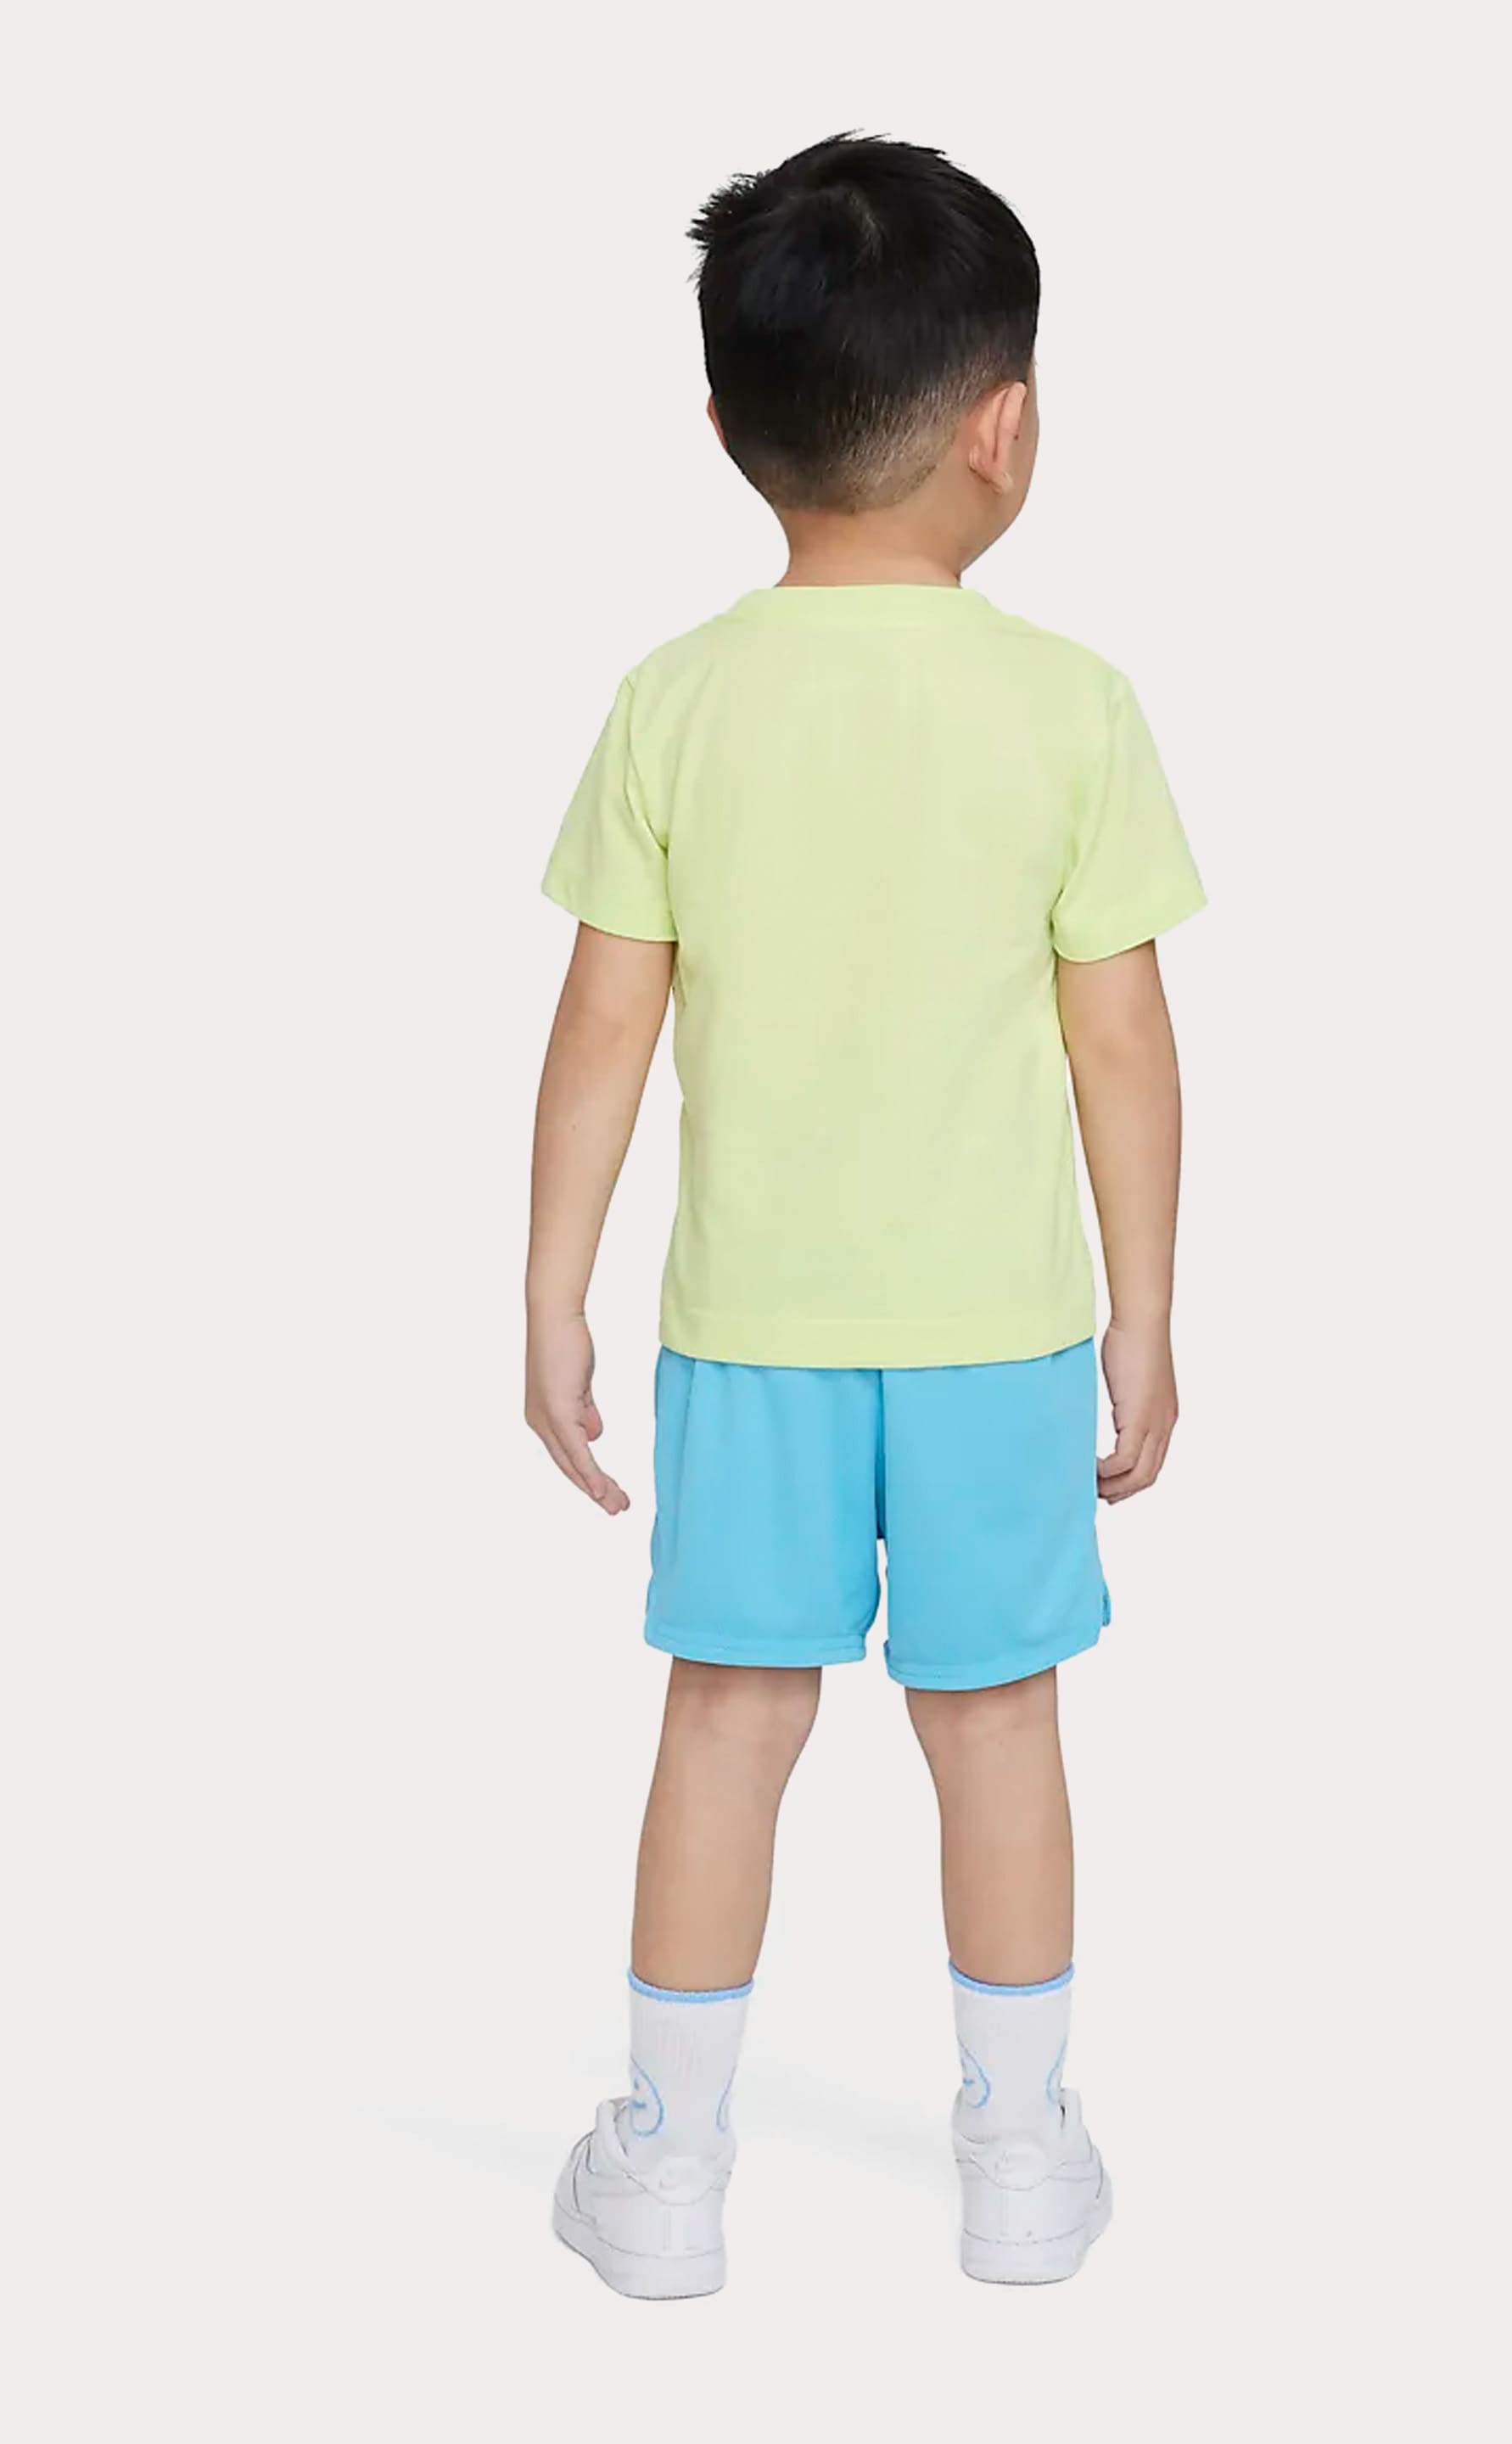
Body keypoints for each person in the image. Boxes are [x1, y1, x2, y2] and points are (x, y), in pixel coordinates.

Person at [526, 132, 1203, 2297]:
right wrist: (1146, 1315)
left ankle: (665, 2171)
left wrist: (551, 1293)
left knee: (729, 1721)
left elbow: (603, 1028)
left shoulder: (676, 700)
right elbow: (1122, 1045)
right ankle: (1020, 2158)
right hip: (1001, 1329)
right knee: (997, 1727)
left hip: (756, 1332)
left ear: (728, 425)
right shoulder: (1071, 708)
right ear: (1003, 427)